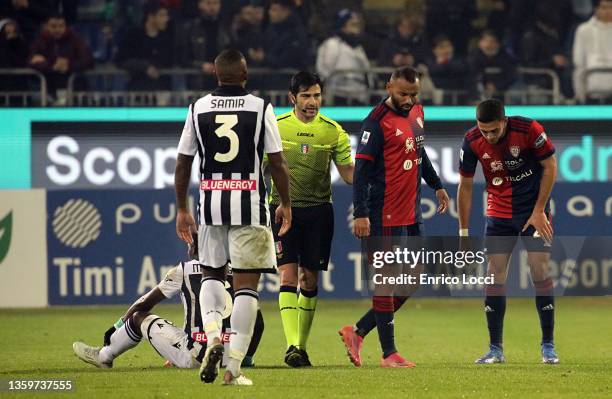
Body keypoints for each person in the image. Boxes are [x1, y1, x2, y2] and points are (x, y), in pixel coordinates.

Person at [174, 49, 291, 386]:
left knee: (211, 275)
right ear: (245, 74)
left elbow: (183, 163)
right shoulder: (261, 108)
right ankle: (233, 367)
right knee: (246, 287)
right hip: (249, 204)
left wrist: (183, 209)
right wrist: (286, 203)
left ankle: (212, 337)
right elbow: (277, 162)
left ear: (215, 74)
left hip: (210, 205)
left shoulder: (198, 108)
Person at [338, 66, 449, 368]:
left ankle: (357, 331)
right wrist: (361, 213)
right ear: (388, 87)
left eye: (414, 94)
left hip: (411, 212)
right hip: (381, 212)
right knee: (385, 282)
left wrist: (437, 185)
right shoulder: (375, 124)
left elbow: (419, 153)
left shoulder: (417, 112)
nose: (409, 100)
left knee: (412, 280)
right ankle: (389, 354)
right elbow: (360, 172)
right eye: (403, 94)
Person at [456, 99, 559, 364]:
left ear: (504, 121)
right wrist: (464, 233)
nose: (488, 136)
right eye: (483, 130)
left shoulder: (528, 130)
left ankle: (548, 346)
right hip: (499, 213)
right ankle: (495, 349)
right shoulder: (471, 140)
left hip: (533, 212)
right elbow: (465, 186)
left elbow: (550, 166)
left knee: (539, 270)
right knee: (494, 274)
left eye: (493, 130)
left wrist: (539, 210)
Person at [71, 236, 265, 370]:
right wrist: (245, 358)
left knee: (139, 318)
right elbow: (258, 322)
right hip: (230, 357)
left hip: (198, 357)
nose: (188, 247)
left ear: (195, 248)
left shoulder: (184, 270)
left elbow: (143, 305)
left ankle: (104, 356)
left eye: (190, 243)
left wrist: (117, 325)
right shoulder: (238, 272)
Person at [272, 71, 354, 368]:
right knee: (287, 276)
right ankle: (292, 344)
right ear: (292, 97)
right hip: (282, 210)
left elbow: (347, 174)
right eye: (306, 96)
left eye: (317, 95)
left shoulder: (333, 131)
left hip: (319, 211)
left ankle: (300, 347)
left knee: (309, 278)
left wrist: (374, 173)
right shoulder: (276, 127)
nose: (312, 102)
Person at [28, 14, 94, 101]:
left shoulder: (75, 40)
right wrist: (52, 66)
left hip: (74, 88)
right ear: (46, 26)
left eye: (61, 26)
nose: (58, 30)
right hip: (47, 89)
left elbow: (88, 60)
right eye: (53, 26)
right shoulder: (39, 41)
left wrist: (69, 65)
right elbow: (30, 62)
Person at [115, 0, 174, 93]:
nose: (166, 19)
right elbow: (120, 59)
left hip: (162, 89)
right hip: (137, 89)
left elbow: (171, 60)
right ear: (151, 17)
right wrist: (145, 67)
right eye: (162, 15)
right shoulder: (133, 35)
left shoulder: (167, 37)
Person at [316, 9, 371, 105]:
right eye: (352, 24)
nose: (357, 28)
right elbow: (324, 72)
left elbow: (367, 72)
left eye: (357, 24)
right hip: (338, 97)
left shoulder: (358, 48)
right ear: (342, 27)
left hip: (359, 97)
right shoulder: (332, 44)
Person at [179, 0, 231, 90]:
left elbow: (234, 52)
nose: (212, 7)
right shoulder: (190, 28)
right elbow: (183, 57)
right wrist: (201, 65)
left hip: (223, 81)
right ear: (200, 5)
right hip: (198, 82)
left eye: (215, 3)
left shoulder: (226, 27)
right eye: (208, 3)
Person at [572, 0, 612, 103]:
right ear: (596, 9)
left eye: (610, 7)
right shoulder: (584, 30)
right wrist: (579, 93)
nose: (608, 11)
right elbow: (579, 62)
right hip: (591, 90)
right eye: (604, 7)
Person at [468, 30, 517, 100]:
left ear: (497, 44)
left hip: (503, 90)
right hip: (481, 89)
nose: (489, 44)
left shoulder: (506, 58)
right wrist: (484, 85)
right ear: (480, 43)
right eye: (486, 41)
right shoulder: (474, 57)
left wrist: (497, 86)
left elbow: (512, 76)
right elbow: (472, 76)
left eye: (492, 41)